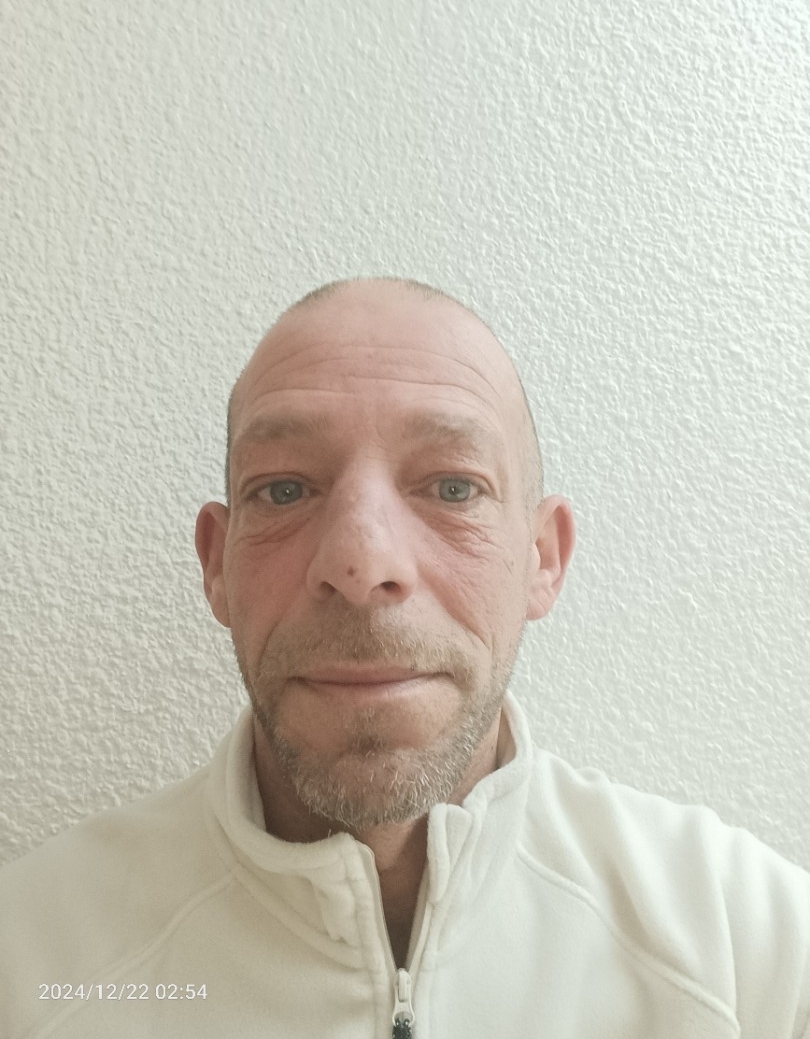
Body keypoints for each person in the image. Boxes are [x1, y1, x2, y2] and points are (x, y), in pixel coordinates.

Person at [0, 276, 808, 1038]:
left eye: (453, 487)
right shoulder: (33, 967)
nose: (361, 563)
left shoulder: (752, 954)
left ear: (543, 558)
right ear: (217, 564)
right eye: (284, 490)